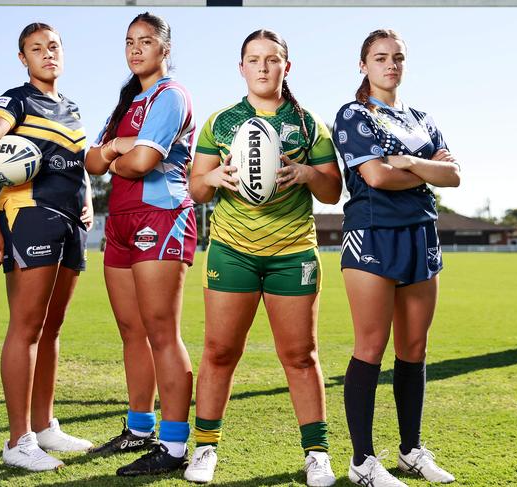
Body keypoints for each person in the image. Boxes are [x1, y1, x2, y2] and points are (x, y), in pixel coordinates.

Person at [184, 29, 342, 487]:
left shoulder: (308, 123)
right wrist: (212, 175)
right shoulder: (221, 121)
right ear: (241, 68)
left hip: (292, 251)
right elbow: (195, 188)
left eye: (271, 60)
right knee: (219, 351)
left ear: (285, 67)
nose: (262, 67)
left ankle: (317, 453)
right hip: (232, 250)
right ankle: (206, 448)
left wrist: (308, 171)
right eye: (253, 59)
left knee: (300, 355)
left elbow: (332, 192)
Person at [0, 22, 94, 472]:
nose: (47, 54)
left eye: (54, 46)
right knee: (27, 327)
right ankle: (18, 441)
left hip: (71, 223)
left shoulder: (72, 107)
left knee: (52, 328)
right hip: (29, 217)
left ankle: (44, 427)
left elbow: (77, 161)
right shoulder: (16, 100)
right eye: (36, 49)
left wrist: (89, 199)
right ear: (23, 58)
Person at [332, 29, 460, 487]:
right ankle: (362, 462)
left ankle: (410, 451)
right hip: (372, 234)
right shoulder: (353, 115)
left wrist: (407, 162)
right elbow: (377, 177)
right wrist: (423, 169)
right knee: (371, 347)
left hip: (421, 233)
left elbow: (454, 175)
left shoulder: (422, 118)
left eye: (398, 57)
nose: (391, 65)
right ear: (363, 64)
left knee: (415, 348)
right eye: (381, 57)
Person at [84, 12, 196, 476]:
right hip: (121, 222)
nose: (135, 49)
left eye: (146, 42)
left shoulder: (171, 97)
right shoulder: (126, 102)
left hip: (161, 217)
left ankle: (173, 446)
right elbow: (93, 160)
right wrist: (115, 147)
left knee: (161, 331)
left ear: (164, 50)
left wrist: (118, 152)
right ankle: (139, 426)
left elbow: (141, 162)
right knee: (131, 329)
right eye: (130, 41)